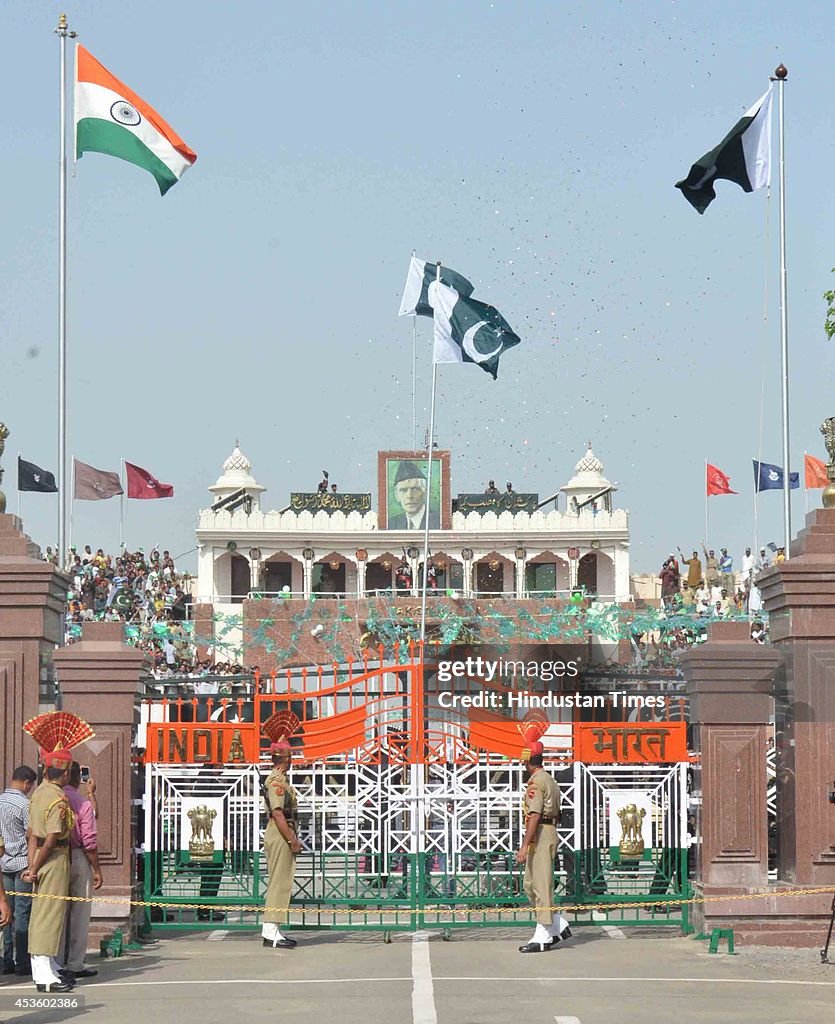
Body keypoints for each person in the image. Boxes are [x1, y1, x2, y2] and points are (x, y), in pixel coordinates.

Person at [24, 752, 75, 993]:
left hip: (40, 856)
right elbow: (52, 837)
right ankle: (44, 976)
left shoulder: (38, 794)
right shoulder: (58, 800)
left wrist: (31, 864)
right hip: (53, 857)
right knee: (49, 915)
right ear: (65, 773)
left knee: (43, 913)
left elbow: (32, 834)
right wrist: (34, 866)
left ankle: (48, 968)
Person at [515, 739, 570, 953]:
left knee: (540, 884)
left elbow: (535, 815)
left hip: (540, 833)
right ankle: (556, 923)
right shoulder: (548, 779)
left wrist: (524, 845)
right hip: (545, 831)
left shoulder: (536, 782)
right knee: (530, 884)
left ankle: (544, 935)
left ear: (528, 760)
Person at [261, 721, 303, 949]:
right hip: (280, 833)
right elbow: (278, 814)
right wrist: (292, 840)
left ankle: (274, 928)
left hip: (281, 831)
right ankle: (270, 931)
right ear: (286, 759)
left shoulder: (279, 780)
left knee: (281, 881)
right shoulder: (277, 781)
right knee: (279, 881)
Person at [59, 763, 102, 981]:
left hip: (55, 858)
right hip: (78, 856)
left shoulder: (50, 797)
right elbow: (89, 841)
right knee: (79, 913)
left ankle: (55, 963)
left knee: (56, 912)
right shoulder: (82, 802)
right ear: (76, 777)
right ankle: (75, 962)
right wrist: (97, 869)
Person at [0, 765, 37, 976]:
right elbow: (30, 834)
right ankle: (22, 961)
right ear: (27, 783)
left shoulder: (0, 801)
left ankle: (7, 960)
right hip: (22, 862)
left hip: (3, 862)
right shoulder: (25, 804)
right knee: (23, 912)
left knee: (6, 914)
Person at [388, 461, 440, 530]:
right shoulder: (391, 525)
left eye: (415, 489)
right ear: (396, 495)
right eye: (403, 490)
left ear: (426, 492)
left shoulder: (439, 522)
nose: (409, 496)